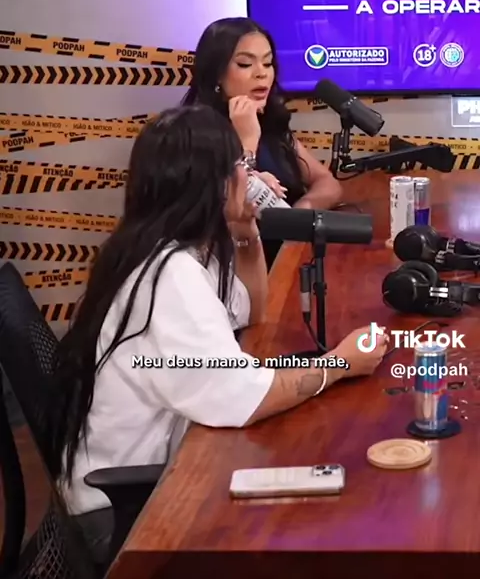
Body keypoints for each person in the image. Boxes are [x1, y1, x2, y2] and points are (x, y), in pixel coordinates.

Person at [48, 105, 386, 566]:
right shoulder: (169, 275)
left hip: (150, 470)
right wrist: (341, 364)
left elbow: (252, 310)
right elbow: (245, 399)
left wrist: (245, 231)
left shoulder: (171, 247)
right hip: (124, 512)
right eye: (240, 165)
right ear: (213, 184)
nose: (249, 176)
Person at [182, 17, 343, 266]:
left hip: (288, 261)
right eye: (245, 64)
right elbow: (226, 209)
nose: (262, 73)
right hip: (233, 271)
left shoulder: (270, 123)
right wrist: (248, 140)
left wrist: (301, 210)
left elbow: (328, 183)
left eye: (267, 63)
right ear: (216, 75)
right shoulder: (191, 133)